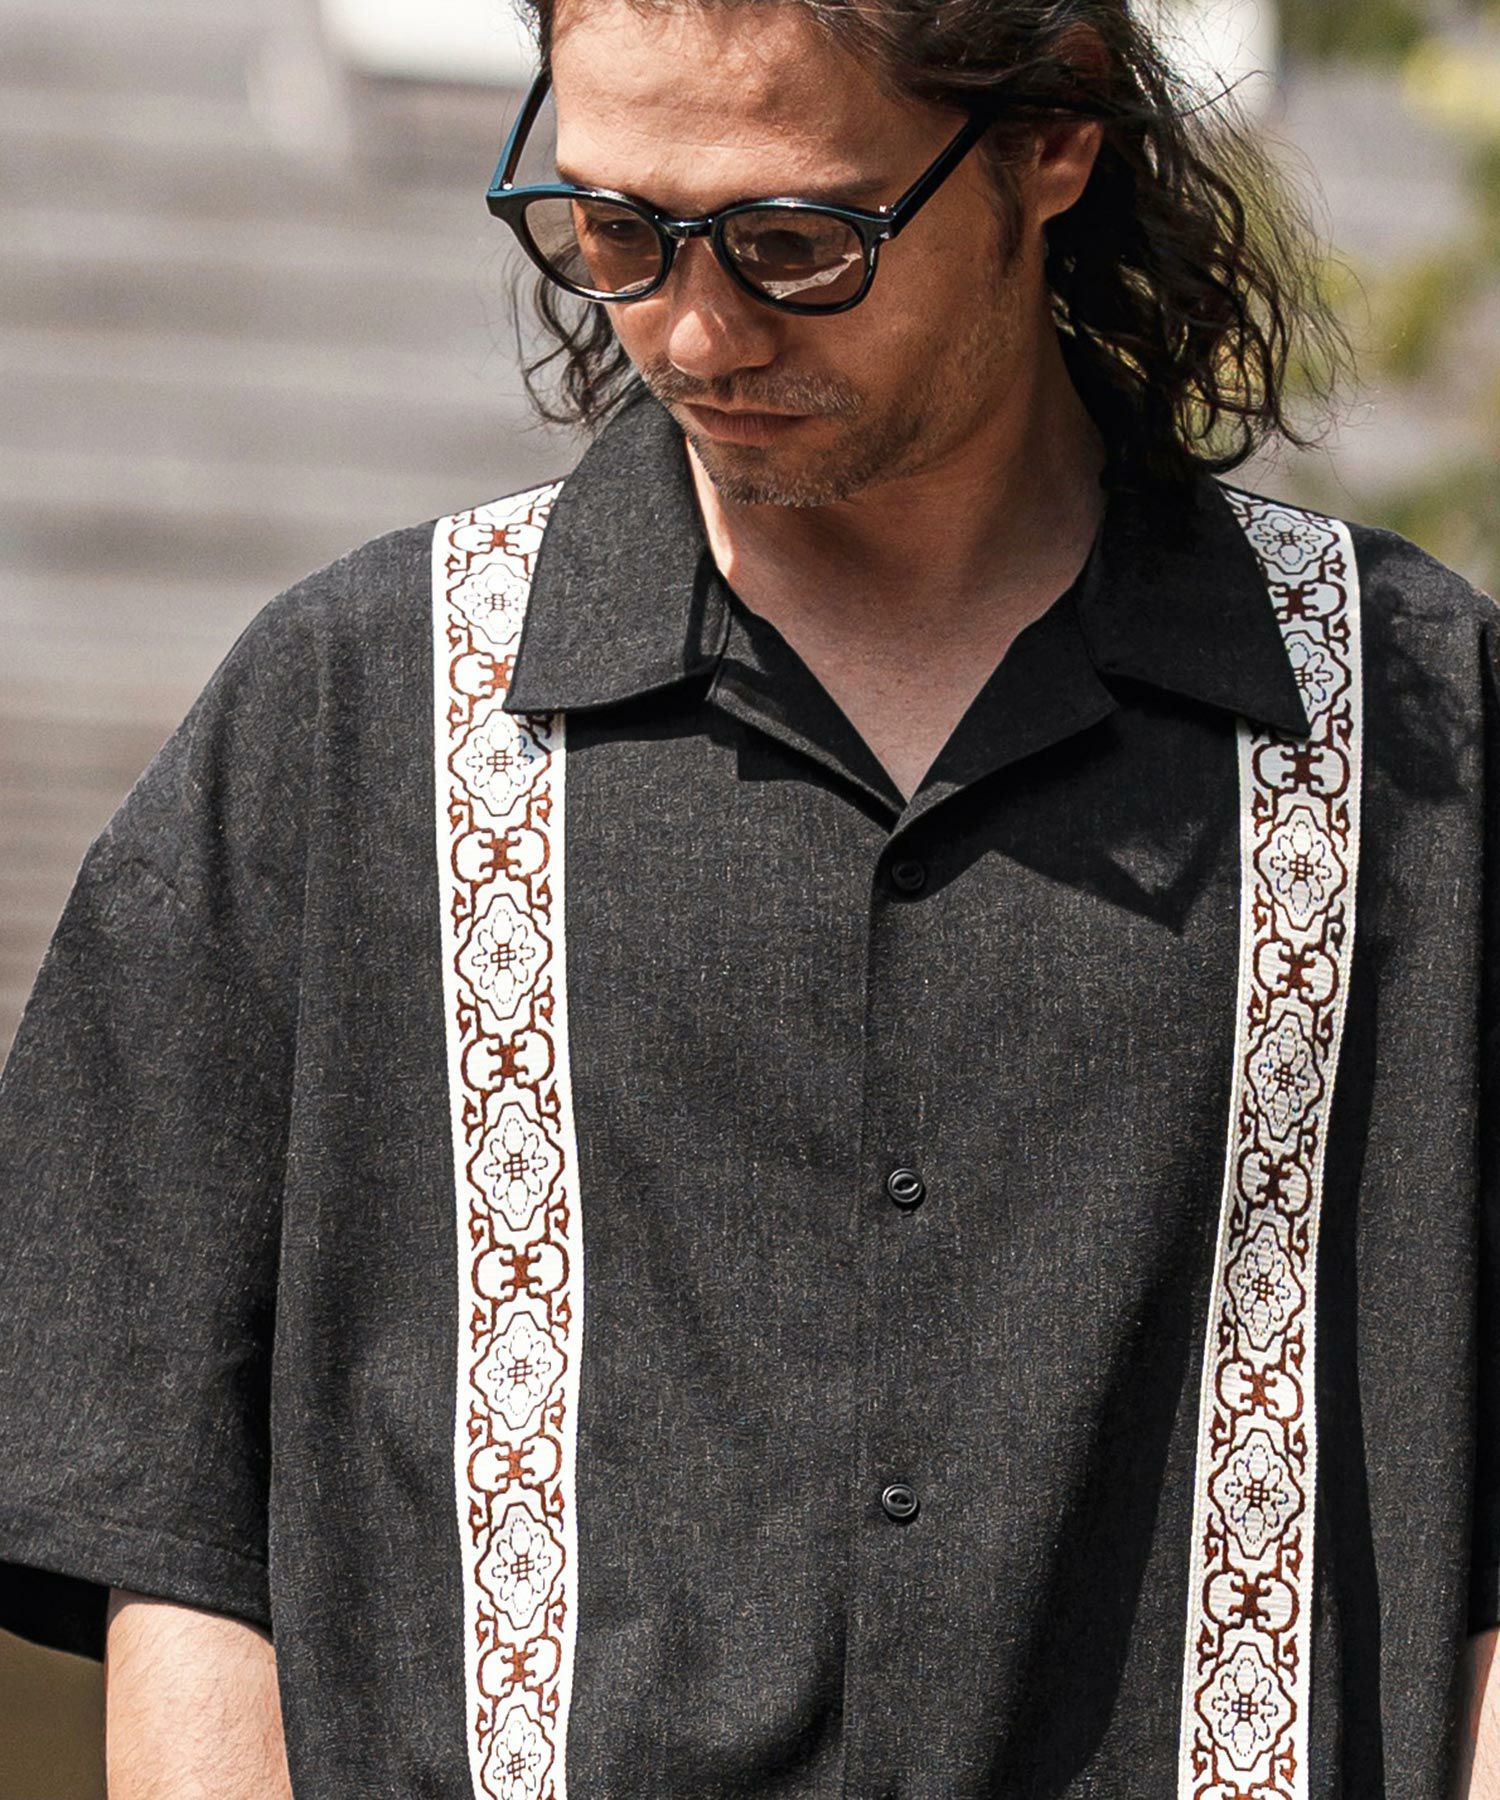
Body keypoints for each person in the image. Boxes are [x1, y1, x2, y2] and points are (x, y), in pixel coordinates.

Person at [1, 0, 1497, 1794]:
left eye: (796, 243)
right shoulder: (344, 717)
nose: (694, 332)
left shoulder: (1416, 731)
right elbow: (167, 1532)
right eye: (615, 228)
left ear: (1053, 140)